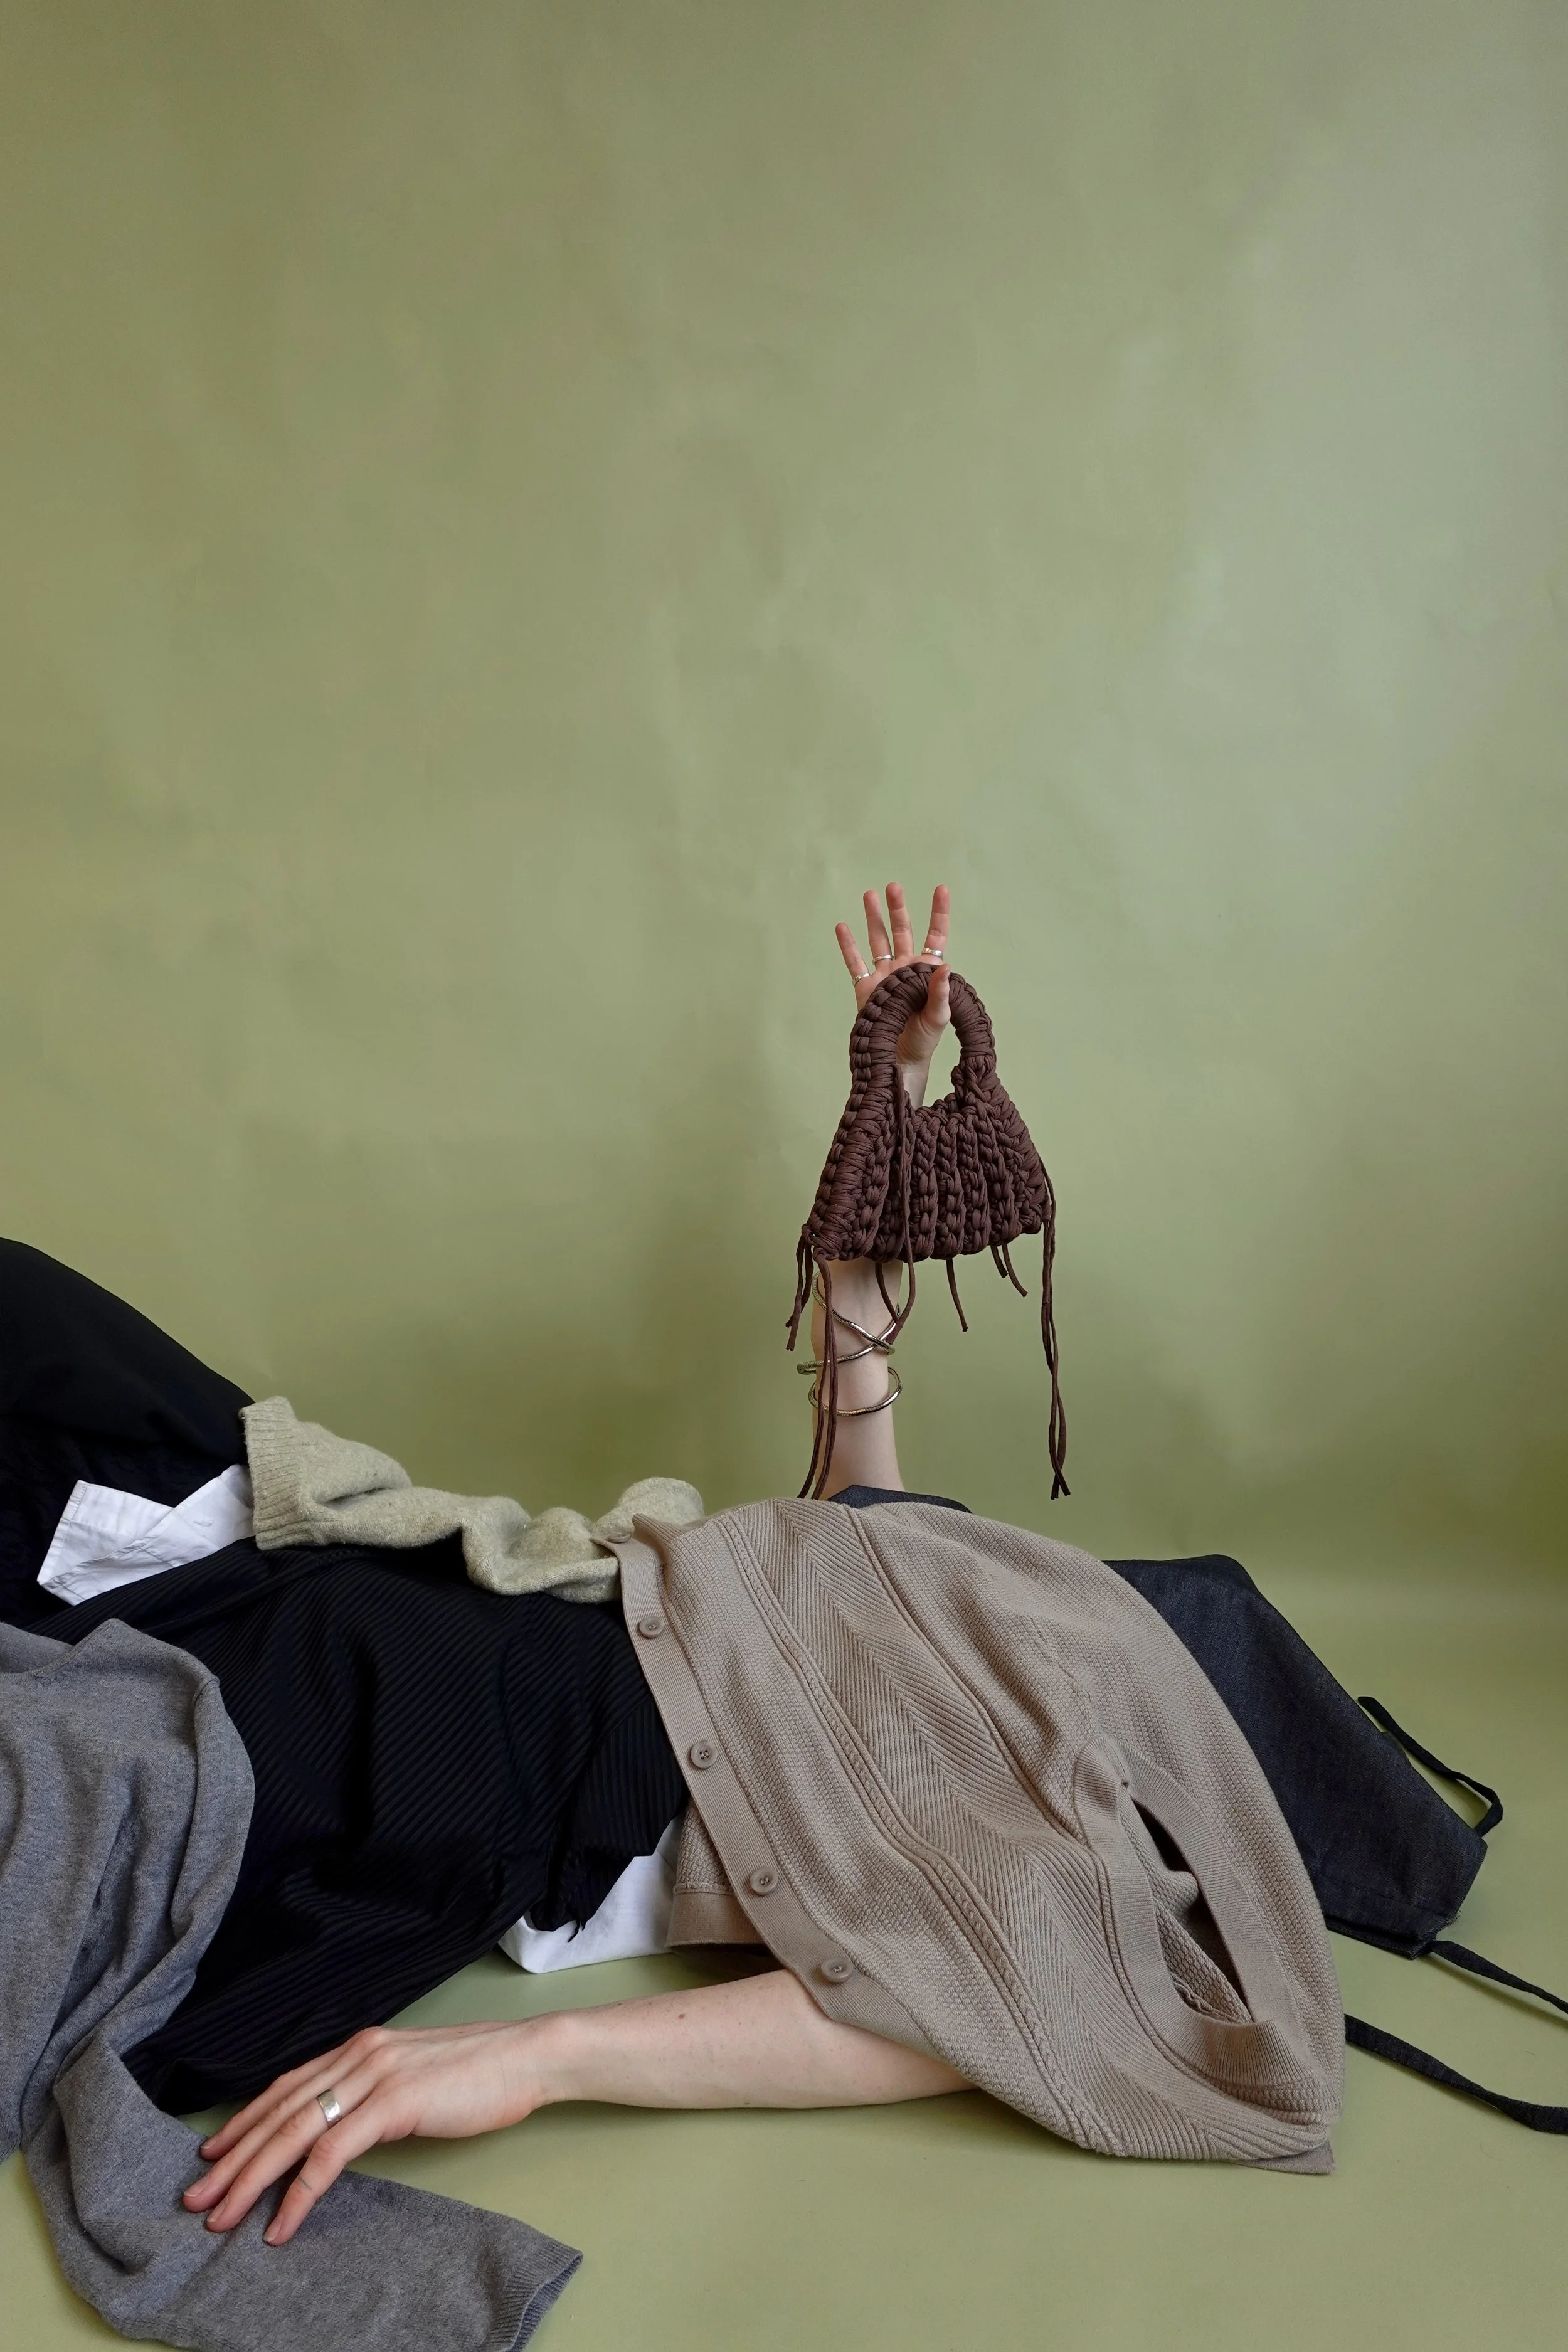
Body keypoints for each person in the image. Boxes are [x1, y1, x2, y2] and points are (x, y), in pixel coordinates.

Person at [3, 884, 974, 2250]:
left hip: (476, 1758)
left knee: (67, 1774)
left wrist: (538, 2057)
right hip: (452, 1570)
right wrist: (893, 1096)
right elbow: (850, 1515)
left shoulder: (1110, 1844)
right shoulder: (1021, 1615)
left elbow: (959, 2014)